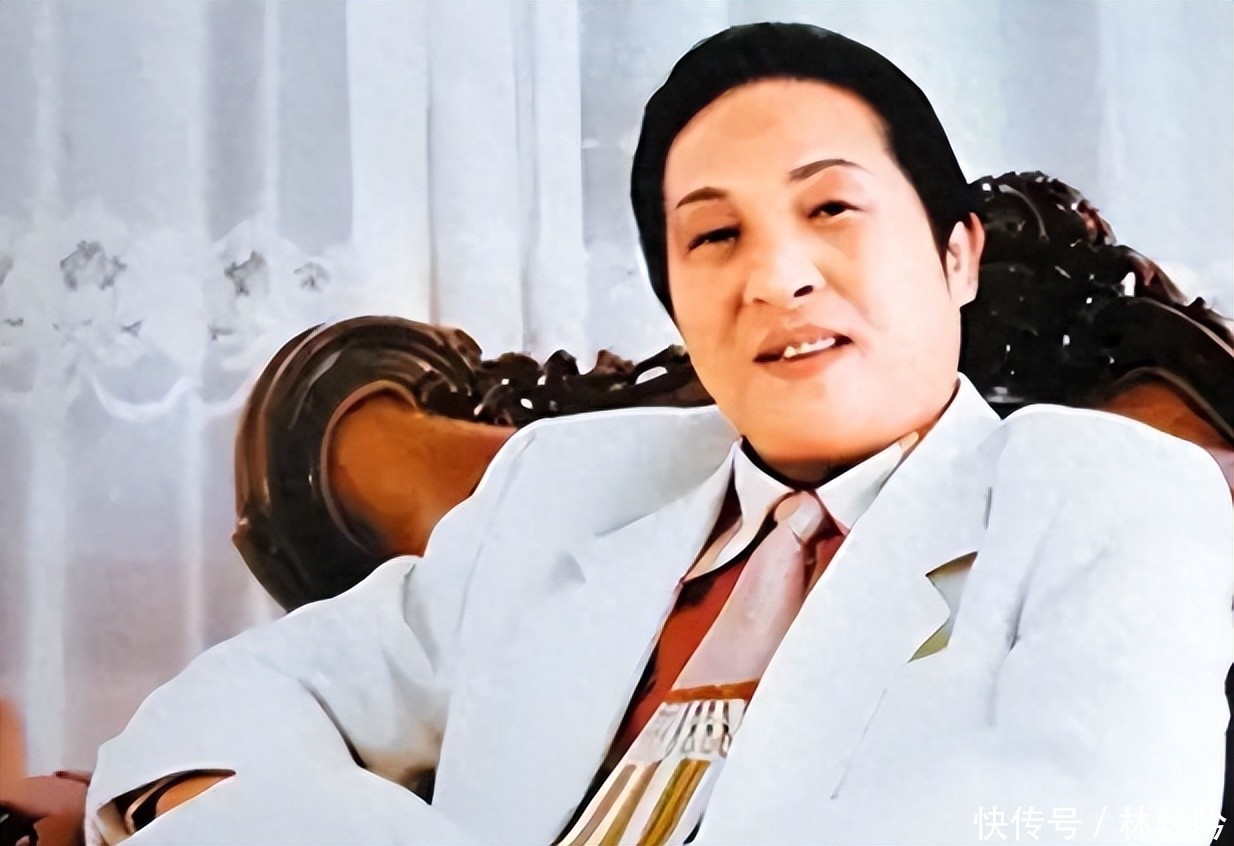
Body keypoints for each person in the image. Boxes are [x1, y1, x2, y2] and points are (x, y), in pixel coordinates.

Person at [85, 23, 1232, 846]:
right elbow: (213, 723)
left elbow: (1086, 819)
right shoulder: (565, 485)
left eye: (831, 208)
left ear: (955, 253)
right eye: (713, 237)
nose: (775, 277)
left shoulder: (1108, 495)